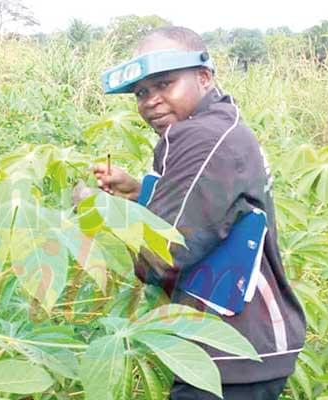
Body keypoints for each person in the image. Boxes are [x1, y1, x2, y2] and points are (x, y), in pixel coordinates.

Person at [90, 27, 307, 399]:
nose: (151, 101)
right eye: (142, 92)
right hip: (237, 347)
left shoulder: (202, 137)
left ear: (203, 77)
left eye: (165, 84)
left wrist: (94, 209)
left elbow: (163, 254)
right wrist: (140, 192)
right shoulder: (220, 126)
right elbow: (215, 207)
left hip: (234, 348)